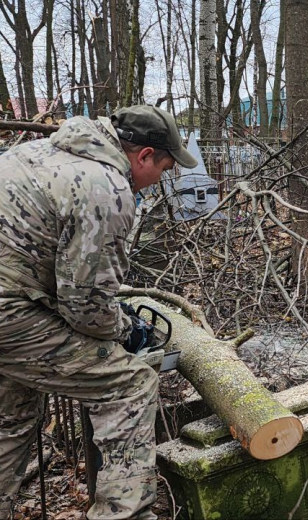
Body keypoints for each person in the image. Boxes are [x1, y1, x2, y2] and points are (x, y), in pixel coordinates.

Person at [0, 105, 198, 520]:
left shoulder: (34, 153)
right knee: (129, 384)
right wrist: (125, 327)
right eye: (162, 167)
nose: (160, 179)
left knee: (12, 411)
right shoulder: (105, 187)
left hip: (13, 303)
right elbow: (86, 306)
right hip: (9, 313)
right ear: (143, 155)